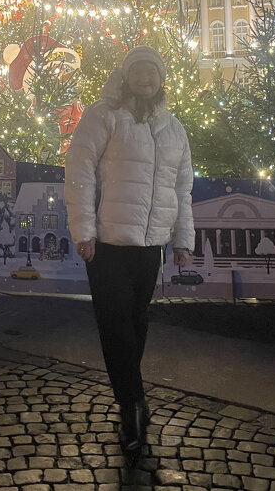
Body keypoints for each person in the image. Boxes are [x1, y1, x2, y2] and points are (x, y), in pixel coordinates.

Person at [64, 46, 195, 464]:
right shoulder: (104, 116)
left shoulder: (174, 129)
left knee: (136, 322)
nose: (145, 80)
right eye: (138, 72)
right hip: (107, 243)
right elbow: (79, 170)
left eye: (152, 74)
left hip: (150, 245)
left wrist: (183, 240)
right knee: (115, 322)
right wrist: (83, 231)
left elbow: (182, 189)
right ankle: (133, 406)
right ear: (125, 78)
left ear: (161, 81)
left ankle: (130, 395)